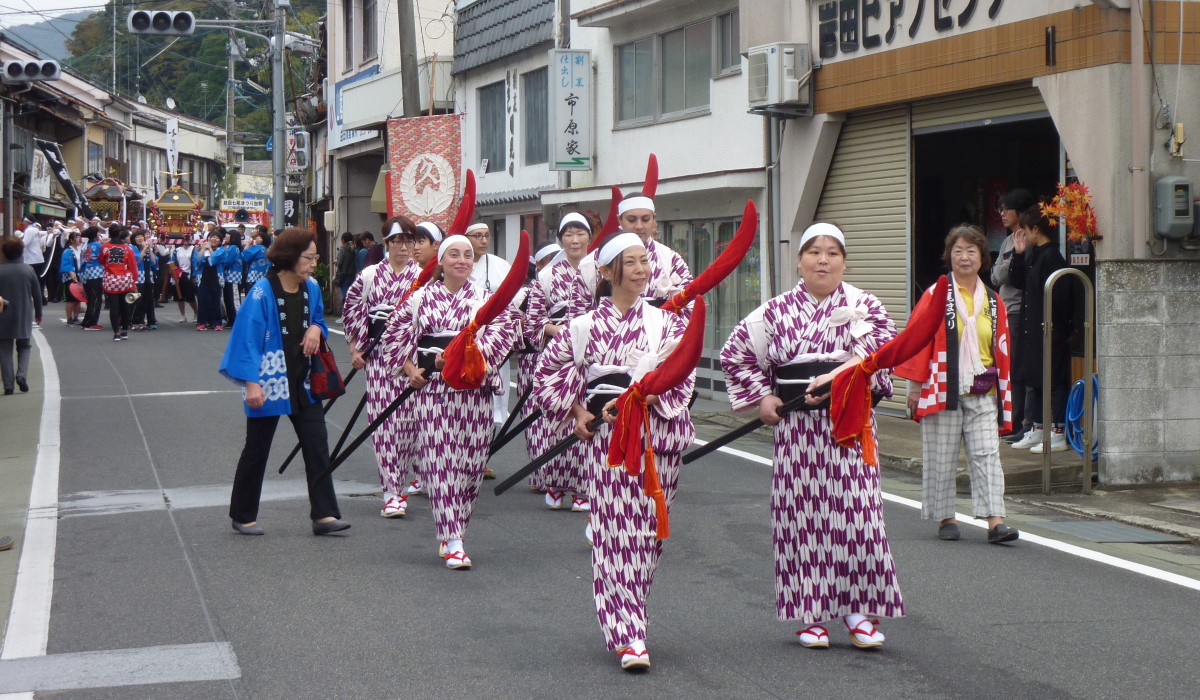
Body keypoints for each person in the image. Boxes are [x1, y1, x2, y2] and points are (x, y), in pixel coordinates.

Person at [720, 223, 903, 651]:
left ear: (844, 261)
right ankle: (811, 613)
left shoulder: (866, 306)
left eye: (833, 253)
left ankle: (859, 611)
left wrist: (852, 379)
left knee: (860, 519)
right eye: (815, 252)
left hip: (850, 428)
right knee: (804, 520)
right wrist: (763, 396)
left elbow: (887, 358)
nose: (824, 260)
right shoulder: (773, 312)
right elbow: (735, 355)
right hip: (797, 430)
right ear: (799, 261)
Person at [533, 232, 695, 670]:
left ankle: (634, 614)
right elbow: (546, 373)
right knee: (612, 535)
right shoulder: (582, 327)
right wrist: (576, 411)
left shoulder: (666, 323)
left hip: (656, 438)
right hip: (607, 443)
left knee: (647, 538)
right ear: (605, 272)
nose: (642, 269)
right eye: (631, 262)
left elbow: (684, 376)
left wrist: (653, 397)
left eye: (645, 261)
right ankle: (628, 633)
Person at [381, 234, 517, 569]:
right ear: (440, 261)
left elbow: (503, 336)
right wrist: (411, 368)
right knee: (441, 464)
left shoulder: (488, 300)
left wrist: (464, 358)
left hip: (473, 391)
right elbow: (393, 337)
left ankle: (456, 530)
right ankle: (453, 538)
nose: (461, 260)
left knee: (470, 468)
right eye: (453, 254)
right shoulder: (419, 299)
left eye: (467, 255)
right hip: (433, 392)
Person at [219, 227, 350, 537]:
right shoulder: (262, 293)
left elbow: (318, 319)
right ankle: (242, 514)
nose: (314, 263)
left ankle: (325, 514)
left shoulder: (312, 288)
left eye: (316, 257)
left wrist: (317, 330)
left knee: (317, 444)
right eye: (309, 257)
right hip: (270, 380)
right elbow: (246, 340)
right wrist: (251, 383)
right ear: (290, 257)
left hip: (305, 378)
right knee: (257, 448)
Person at [895, 225, 1019, 544]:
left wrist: (1005, 393)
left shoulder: (994, 301)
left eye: (971, 251)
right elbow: (917, 341)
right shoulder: (936, 295)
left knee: (987, 453)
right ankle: (946, 518)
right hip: (940, 386)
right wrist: (913, 388)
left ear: (982, 257)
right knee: (941, 455)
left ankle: (995, 521)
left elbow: (1001, 349)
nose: (964, 257)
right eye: (958, 251)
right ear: (949, 257)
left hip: (982, 388)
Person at [342, 216, 422, 518]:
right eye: (397, 241)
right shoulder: (370, 275)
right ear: (386, 243)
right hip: (379, 359)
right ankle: (392, 491)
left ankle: (414, 476)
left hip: (413, 359)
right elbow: (353, 309)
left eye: (408, 240)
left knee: (413, 423)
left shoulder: (424, 276)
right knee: (384, 425)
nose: (403, 246)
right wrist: (355, 347)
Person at [523, 213, 596, 510]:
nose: (574, 240)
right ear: (561, 239)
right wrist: (561, 332)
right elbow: (533, 322)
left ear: (589, 238)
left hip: (593, 353)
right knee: (555, 419)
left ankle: (584, 488)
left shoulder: (601, 271)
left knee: (589, 418)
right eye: (568, 234)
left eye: (580, 234)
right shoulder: (546, 276)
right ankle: (554, 482)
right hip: (558, 356)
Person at [1009, 205, 1073, 453]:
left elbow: (1064, 298)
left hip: (1050, 330)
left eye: (1025, 231)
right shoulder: (1036, 254)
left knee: (1053, 381)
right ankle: (1037, 428)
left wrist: (1064, 328)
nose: (1023, 236)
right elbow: (1017, 282)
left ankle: (1057, 432)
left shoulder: (1051, 257)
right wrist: (1018, 254)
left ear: (1035, 229)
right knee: (1034, 379)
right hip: (1035, 329)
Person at [398, 221, 443, 497]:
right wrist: (407, 364)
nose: (413, 247)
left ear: (436, 246)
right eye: (412, 241)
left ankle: (431, 472)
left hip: (441, 364)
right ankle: (416, 472)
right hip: (409, 358)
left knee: (433, 422)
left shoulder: (447, 276)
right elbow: (397, 328)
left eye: (420, 242)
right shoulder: (408, 277)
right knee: (408, 422)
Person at [992, 189, 1037, 442]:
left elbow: (1012, 275)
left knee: (1018, 368)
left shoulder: (1028, 240)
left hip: (1019, 311)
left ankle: (1021, 421)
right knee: (1005, 368)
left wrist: (1006, 269)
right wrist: (1004, 269)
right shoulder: (1008, 241)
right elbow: (995, 275)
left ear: (1019, 212)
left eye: (1005, 209)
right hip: (1004, 308)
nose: (1001, 214)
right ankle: (1009, 419)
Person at [465, 222, 514, 432]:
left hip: (493, 334)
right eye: (478, 236)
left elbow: (511, 298)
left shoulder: (500, 265)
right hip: (465, 333)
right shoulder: (457, 264)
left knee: (497, 380)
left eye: (487, 235)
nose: (484, 241)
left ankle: (495, 423)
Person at [616, 193, 692, 307]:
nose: (639, 226)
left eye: (646, 219)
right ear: (620, 220)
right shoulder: (598, 260)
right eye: (631, 220)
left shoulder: (671, 259)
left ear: (653, 220)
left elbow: (690, 300)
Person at [0, 237, 43, 395]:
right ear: (21, 252)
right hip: (23, 313)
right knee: (24, 346)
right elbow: (37, 294)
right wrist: (39, 312)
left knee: (4, 349)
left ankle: (8, 385)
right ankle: (22, 375)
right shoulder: (28, 270)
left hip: (2, 314)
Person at [99, 228, 139, 342]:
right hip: (125, 280)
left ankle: (116, 332)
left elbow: (101, 261)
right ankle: (125, 330)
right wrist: (134, 281)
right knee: (125, 305)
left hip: (111, 280)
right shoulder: (127, 248)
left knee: (114, 307)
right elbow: (132, 265)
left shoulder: (105, 247)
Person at [130, 231, 159, 331]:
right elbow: (137, 261)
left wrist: (150, 249)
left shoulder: (147, 248)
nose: (140, 238)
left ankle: (151, 321)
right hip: (138, 278)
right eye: (137, 237)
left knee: (149, 300)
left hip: (149, 277)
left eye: (141, 236)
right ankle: (136, 321)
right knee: (139, 300)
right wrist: (145, 249)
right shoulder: (132, 248)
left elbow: (154, 263)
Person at [78, 226, 105, 330]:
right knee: (96, 298)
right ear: (95, 234)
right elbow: (103, 257)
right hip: (96, 272)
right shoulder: (98, 245)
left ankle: (86, 321)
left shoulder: (85, 245)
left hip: (85, 273)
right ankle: (91, 322)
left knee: (91, 298)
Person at [20, 221, 47, 306]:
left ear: (26, 221)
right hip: (38, 259)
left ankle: (36, 300)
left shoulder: (29, 230)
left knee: (31, 281)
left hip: (31, 260)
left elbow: (25, 243)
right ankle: (41, 299)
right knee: (39, 281)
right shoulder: (35, 230)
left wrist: (17, 243)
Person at [59, 230, 83, 326]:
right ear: (72, 240)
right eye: (77, 237)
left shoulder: (79, 249)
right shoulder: (68, 251)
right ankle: (69, 318)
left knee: (78, 298)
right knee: (71, 299)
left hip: (79, 276)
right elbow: (65, 264)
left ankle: (76, 317)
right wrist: (71, 273)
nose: (79, 239)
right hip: (70, 277)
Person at [220, 231, 243, 326]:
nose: (225, 238)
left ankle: (236, 319)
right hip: (228, 275)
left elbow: (227, 260)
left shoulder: (234, 248)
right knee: (228, 298)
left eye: (227, 236)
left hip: (233, 276)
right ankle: (231, 318)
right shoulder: (230, 247)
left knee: (233, 298)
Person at [332, 232, 356, 319]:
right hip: (352, 273)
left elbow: (339, 262)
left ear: (343, 240)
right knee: (352, 294)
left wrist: (336, 261)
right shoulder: (354, 248)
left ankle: (345, 315)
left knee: (345, 295)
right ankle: (351, 314)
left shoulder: (343, 249)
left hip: (344, 274)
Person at [174, 238, 198, 323]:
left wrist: (194, 275)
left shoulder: (194, 249)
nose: (186, 240)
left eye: (188, 238)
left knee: (190, 296)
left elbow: (195, 263)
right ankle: (182, 315)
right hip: (178, 274)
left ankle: (196, 313)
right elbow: (172, 260)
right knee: (179, 296)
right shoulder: (177, 250)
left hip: (188, 274)